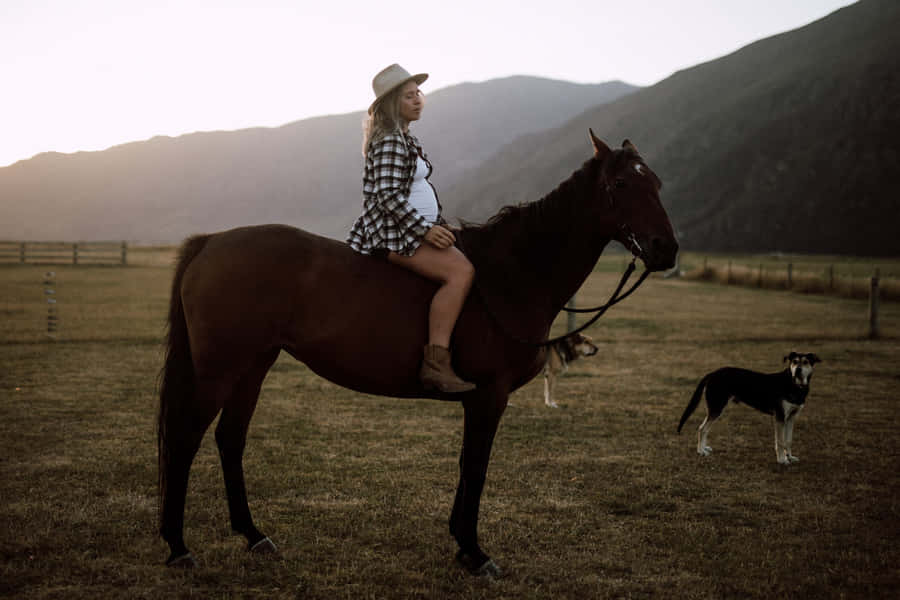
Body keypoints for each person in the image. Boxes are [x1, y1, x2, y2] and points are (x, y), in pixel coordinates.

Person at [348, 64, 476, 393]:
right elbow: (387, 194)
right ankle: (435, 364)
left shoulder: (406, 137)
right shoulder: (390, 140)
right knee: (460, 273)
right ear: (393, 103)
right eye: (408, 96)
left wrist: (435, 223)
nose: (418, 100)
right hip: (395, 234)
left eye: (418, 93)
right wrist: (424, 230)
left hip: (413, 228)